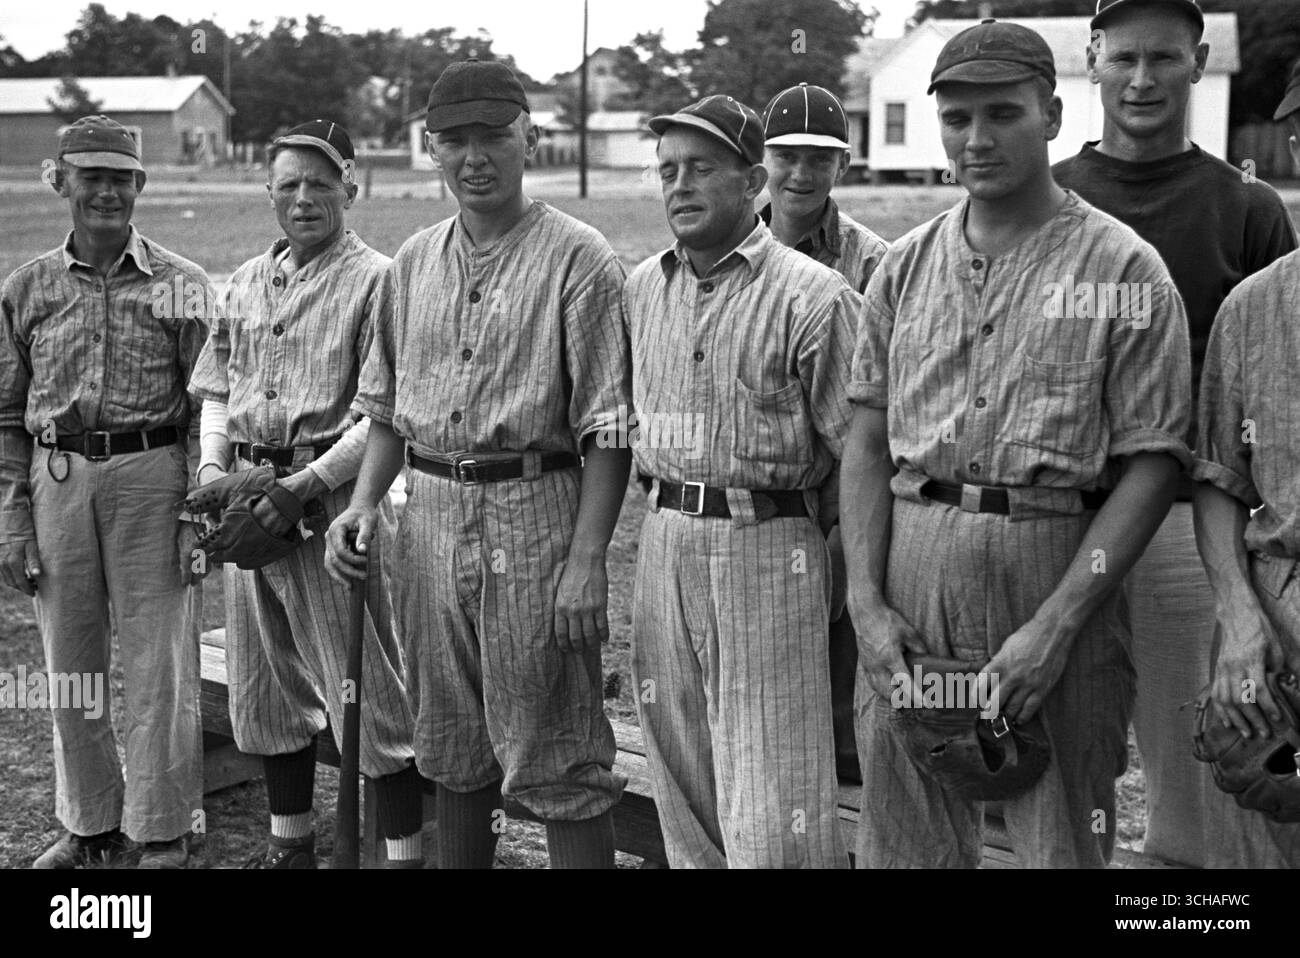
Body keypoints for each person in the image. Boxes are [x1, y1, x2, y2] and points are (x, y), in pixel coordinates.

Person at [843, 20, 1192, 867]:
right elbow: (867, 436)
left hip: (1051, 566)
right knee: (909, 829)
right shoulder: (905, 267)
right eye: (957, 119)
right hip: (915, 569)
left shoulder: (1123, 270)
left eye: (1002, 113)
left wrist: (1056, 628)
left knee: (1057, 832)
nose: (977, 138)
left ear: (1053, 116)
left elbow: (1152, 463)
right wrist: (864, 598)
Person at [324, 58, 631, 869]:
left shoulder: (580, 258)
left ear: (529, 136)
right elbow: (388, 413)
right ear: (430, 149)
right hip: (427, 509)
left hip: (536, 509)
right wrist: (360, 505)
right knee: (451, 741)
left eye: (492, 136)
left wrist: (587, 559)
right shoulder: (413, 263)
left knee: (558, 745)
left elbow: (608, 427)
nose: (475, 157)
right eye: (453, 141)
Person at [1053, 0, 1297, 868]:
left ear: (1198, 62)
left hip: (1190, 520)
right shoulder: (1052, 196)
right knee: (1063, 746)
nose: (1143, 78)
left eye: (1164, 58)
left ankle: (1180, 901)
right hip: (1061, 512)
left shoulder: (1246, 205)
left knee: (1192, 750)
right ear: (1092, 61)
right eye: (1124, 58)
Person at [626, 94, 857, 868]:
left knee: (774, 789)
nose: (681, 186)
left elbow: (860, 456)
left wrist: (834, 570)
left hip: (768, 542)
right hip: (664, 538)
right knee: (682, 774)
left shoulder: (813, 295)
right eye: (668, 172)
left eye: (702, 169)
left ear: (752, 179)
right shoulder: (640, 290)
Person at [187, 119, 423, 869]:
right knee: (263, 695)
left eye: (321, 182)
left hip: (335, 501)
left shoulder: (380, 277)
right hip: (249, 494)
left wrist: (304, 488)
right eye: (288, 183)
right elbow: (217, 390)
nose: (304, 197)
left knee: (372, 700)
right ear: (267, 192)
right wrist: (211, 473)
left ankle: (402, 856)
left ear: (351, 185)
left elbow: (387, 416)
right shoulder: (249, 278)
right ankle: (290, 850)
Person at [0, 115, 209, 869]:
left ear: (140, 186)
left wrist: (195, 516)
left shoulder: (183, 285)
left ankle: (159, 827)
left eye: (121, 178)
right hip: (57, 478)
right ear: (61, 181)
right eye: (91, 177)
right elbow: (6, 418)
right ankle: (88, 824)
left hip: (153, 478)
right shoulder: (26, 288)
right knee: (71, 664)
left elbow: (205, 409)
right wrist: (13, 521)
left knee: (159, 666)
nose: (107, 192)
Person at [1186, 61, 1300, 869]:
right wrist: (1238, 619)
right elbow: (1221, 478)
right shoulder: (1254, 308)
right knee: (1256, 851)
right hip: (1278, 622)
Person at [760, 81, 889, 783]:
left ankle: (841, 800)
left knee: (840, 656)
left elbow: (882, 400)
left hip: (840, 495)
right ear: (763, 159)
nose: (802, 174)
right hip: (753, 495)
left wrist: (850, 516)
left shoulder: (874, 262)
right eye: (788, 156)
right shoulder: (728, 243)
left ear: (842, 166)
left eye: (820, 158)